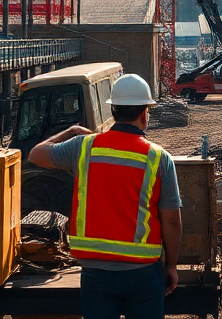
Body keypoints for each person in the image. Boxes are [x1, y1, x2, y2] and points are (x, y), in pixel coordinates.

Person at [30, 73, 182, 319]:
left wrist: (70, 132)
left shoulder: (83, 146)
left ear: (113, 111)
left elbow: (36, 154)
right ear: (144, 113)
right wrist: (171, 266)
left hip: (95, 272)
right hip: (142, 270)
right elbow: (172, 220)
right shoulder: (158, 157)